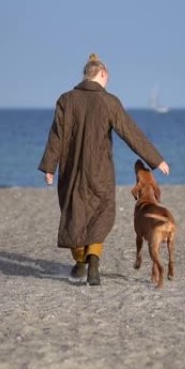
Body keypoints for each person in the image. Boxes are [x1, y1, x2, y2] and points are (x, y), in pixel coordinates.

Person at [39, 53, 170, 286]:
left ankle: (81, 261)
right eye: (108, 75)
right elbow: (131, 133)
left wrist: (50, 167)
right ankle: (93, 264)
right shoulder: (110, 102)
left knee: (74, 215)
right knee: (101, 214)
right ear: (102, 74)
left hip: (71, 171)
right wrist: (156, 160)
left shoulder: (65, 100)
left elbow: (55, 137)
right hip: (100, 172)